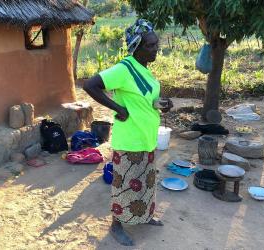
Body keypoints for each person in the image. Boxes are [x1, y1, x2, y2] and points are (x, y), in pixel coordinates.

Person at [83, 19, 173, 246]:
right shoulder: (124, 69)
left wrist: (160, 103)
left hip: (146, 137)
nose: (156, 49)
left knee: (146, 181)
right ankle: (116, 226)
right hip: (129, 140)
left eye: (156, 44)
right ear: (137, 46)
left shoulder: (144, 69)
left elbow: (146, 100)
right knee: (125, 186)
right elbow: (90, 85)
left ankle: (145, 215)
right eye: (150, 46)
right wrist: (118, 108)